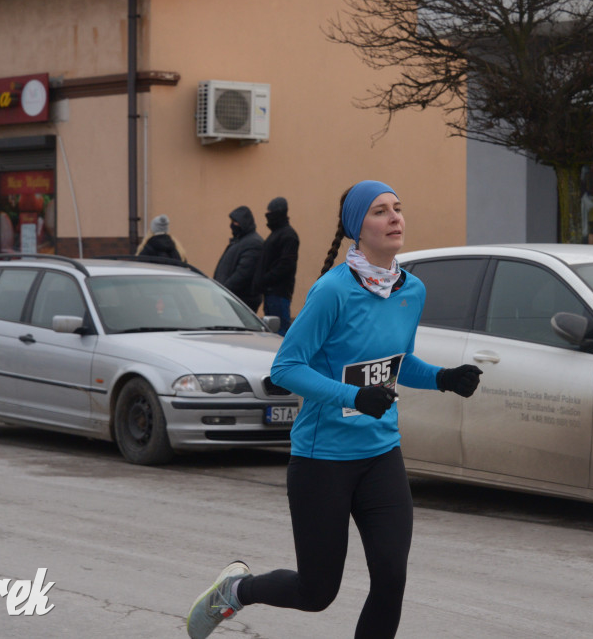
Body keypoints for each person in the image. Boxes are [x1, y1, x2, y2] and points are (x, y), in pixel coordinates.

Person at [186, 180, 483, 639]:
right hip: (322, 461)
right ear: (356, 228)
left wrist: (443, 378)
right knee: (316, 592)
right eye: (381, 211)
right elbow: (285, 368)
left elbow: (398, 364)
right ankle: (237, 590)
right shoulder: (333, 291)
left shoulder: (411, 290)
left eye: (398, 208)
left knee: (391, 578)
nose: (395, 218)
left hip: (382, 454)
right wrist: (353, 397)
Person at [252, 196, 299, 334]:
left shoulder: (288, 235)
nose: (267, 217)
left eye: (270, 213)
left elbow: (285, 265)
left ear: (278, 213)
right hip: (271, 293)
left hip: (278, 293)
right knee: (274, 332)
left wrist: (265, 279)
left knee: (279, 333)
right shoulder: (277, 235)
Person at [213, 206, 263, 311]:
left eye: (235, 222)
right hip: (231, 298)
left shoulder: (253, 243)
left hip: (241, 300)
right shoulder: (239, 241)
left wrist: (224, 290)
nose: (232, 225)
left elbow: (243, 274)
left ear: (244, 223)